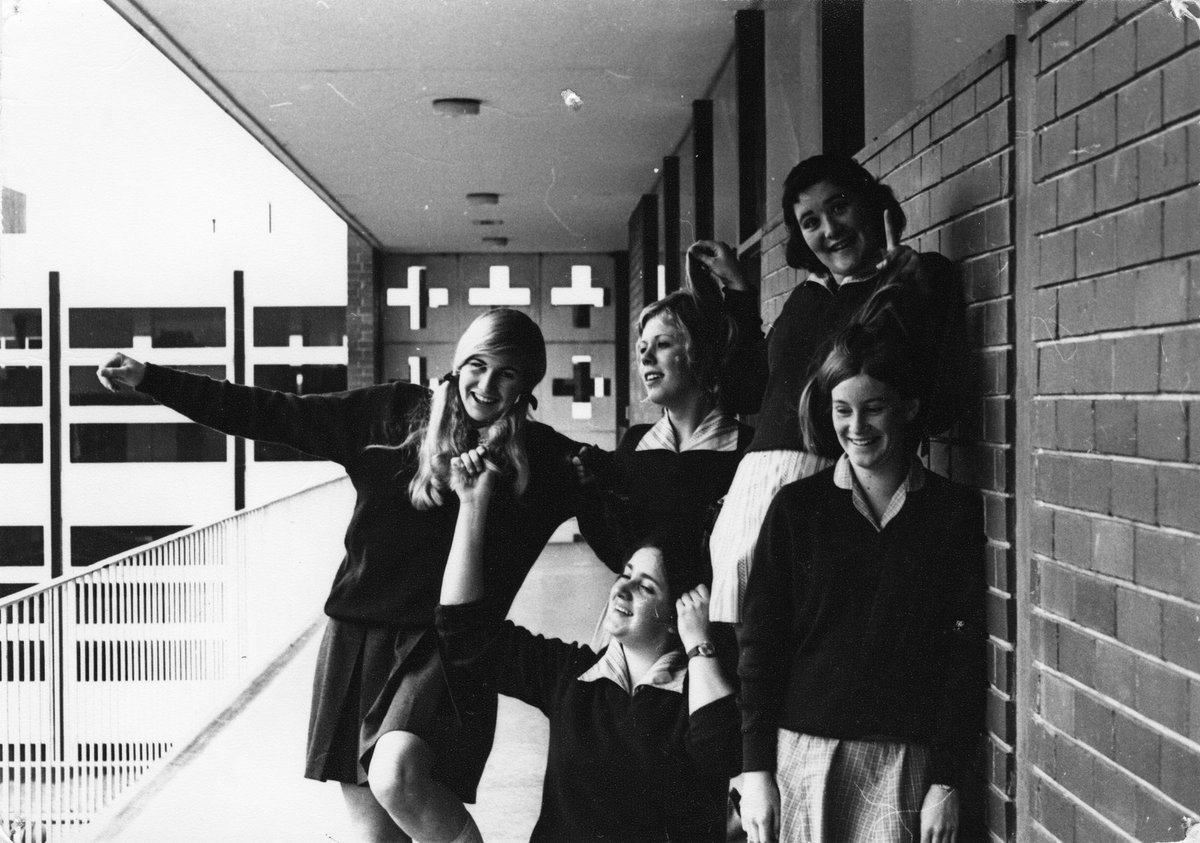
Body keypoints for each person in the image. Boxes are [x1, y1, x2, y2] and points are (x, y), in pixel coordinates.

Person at [96, 308, 585, 843]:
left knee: (397, 777)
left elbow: (624, 489)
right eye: (477, 364)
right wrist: (152, 379)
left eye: (507, 373)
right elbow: (272, 412)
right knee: (376, 837)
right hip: (356, 641)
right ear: (458, 361)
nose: (487, 384)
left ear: (527, 385)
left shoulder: (540, 459)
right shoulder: (392, 413)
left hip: (446, 646)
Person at [691, 153, 967, 627]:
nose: (829, 229)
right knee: (738, 630)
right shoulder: (808, 296)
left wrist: (904, 288)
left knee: (794, 629)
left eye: (839, 206)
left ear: (870, 203)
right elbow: (748, 391)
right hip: (755, 480)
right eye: (810, 222)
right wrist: (739, 291)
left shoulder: (918, 274)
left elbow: (938, 397)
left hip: (832, 474)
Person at [737, 323, 986, 843]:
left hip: (906, 764)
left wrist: (946, 780)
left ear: (909, 406)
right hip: (805, 756)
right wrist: (757, 769)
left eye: (874, 407)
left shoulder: (952, 513)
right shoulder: (795, 510)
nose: (857, 426)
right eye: (842, 409)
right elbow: (761, 645)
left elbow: (964, 658)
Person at [437, 446, 741, 842]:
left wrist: (699, 646)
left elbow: (721, 754)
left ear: (676, 616)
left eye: (646, 586)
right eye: (626, 573)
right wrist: (472, 505)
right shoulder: (571, 675)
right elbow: (465, 636)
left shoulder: (696, 694)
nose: (623, 587)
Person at [574, 285, 755, 573]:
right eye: (643, 348)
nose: (646, 359)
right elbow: (620, 553)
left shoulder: (747, 451)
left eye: (662, 344)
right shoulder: (634, 443)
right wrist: (588, 494)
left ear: (700, 350)